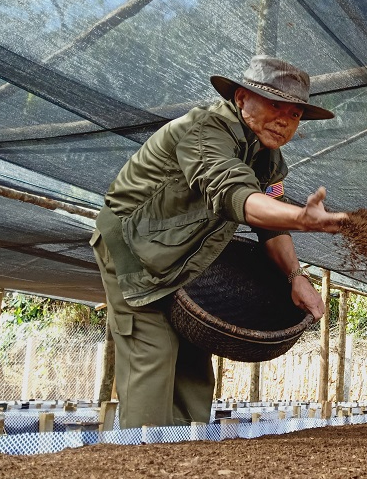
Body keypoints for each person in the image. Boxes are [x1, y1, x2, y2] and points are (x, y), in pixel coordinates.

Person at [91, 56, 347, 429]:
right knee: (154, 351)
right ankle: (140, 463)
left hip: (183, 256)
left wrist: (296, 276)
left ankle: (188, 459)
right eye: (275, 105)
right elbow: (231, 191)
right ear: (242, 98)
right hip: (133, 249)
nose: (284, 120)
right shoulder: (203, 129)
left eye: (294, 114)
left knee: (195, 357)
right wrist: (301, 218)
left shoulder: (268, 158)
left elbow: (270, 224)